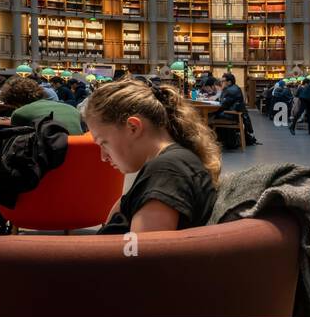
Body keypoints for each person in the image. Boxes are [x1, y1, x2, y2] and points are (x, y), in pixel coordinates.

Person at [88, 78, 220, 235]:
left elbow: (145, 255)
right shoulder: (171, 164)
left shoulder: (166, 173)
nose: (103, 157)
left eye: (104, 143)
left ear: (133, 127)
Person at [0, 74, 84, 133]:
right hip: (80, 155)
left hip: (49, 156)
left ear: (14, 101)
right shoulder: (72, 110)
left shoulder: (19, 113)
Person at [212, 71, 258, 146]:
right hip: (233, 114)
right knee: (213, 114)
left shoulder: (230, 90)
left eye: (223, 81)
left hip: (231, 115)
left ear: (229, 82)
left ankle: (215, 141)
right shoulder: (233, 88)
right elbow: (224, 102)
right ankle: (222, 140)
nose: (221, 83)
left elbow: (223, 105)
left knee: (211, 116)